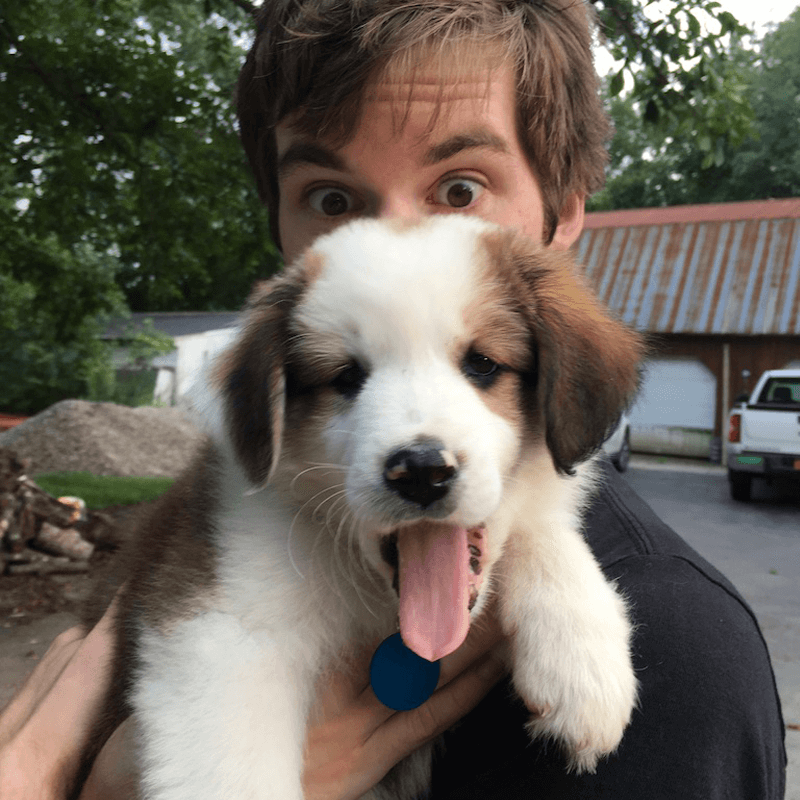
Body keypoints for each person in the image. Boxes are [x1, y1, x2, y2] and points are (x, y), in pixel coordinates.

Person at [0, 1, 787, 798]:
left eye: (459, 186)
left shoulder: (686, 669)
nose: (396, 241)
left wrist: (550, 570)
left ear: (566, 202)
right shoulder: (258, 506)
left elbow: (545, 494)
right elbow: (227, 639)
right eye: (333, 200)